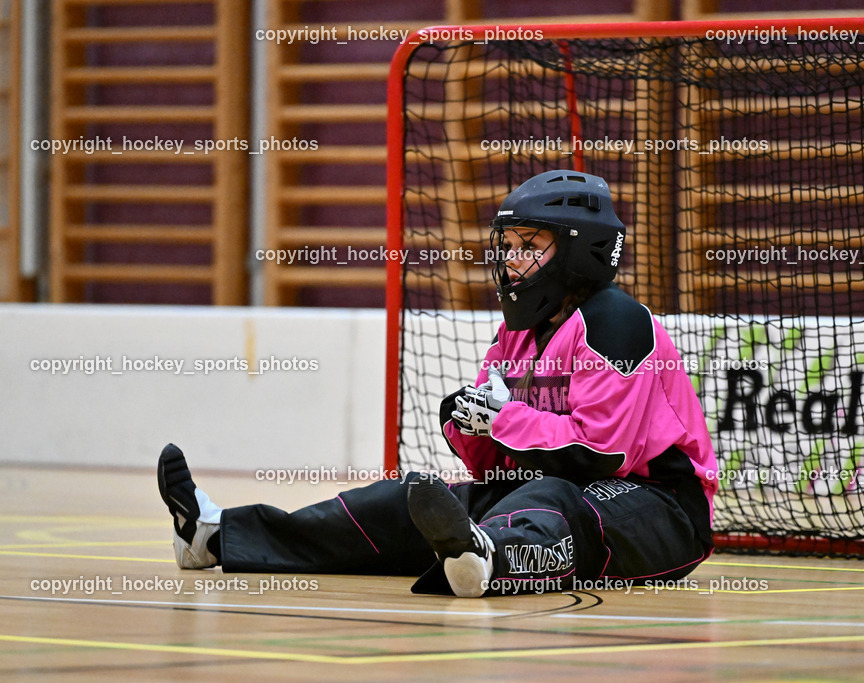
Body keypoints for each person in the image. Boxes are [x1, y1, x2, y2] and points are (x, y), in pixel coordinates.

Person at [158, 169, 718, 598]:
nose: (512, 260)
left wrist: (503, 419)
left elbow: (602, 452)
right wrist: (469, 423)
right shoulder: (516, 332)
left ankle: (487, 558)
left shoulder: (616, 323)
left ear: (578, 250)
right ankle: (215, 536)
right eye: (509, 245)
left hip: (659, 506)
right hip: (551, 487)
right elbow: (495, 463)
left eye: (530, 246)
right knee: (405, 498)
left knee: (551, 500)